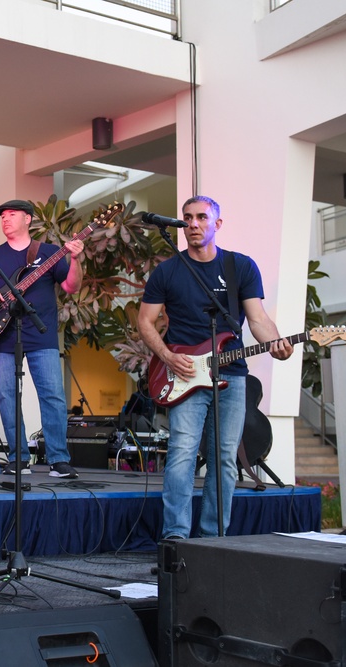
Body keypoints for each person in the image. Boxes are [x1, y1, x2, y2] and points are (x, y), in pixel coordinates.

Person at [137, 195, 293, 539]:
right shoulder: (168, 271)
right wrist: (166, 356)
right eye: (188, 218)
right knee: (182, 453)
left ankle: (213, 539)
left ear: (216, 224)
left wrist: (277, 343)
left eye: (202, 217)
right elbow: (146, 322)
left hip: (231, 373)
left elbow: (258, 319)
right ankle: (175, 537)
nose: (193, 224)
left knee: (224, 458)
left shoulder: (241, 267)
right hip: (185, 373)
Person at [0, 199, 83, 479]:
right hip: (3, 335)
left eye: (12, 215)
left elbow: (71, 287)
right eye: (3, 216)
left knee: (52, 396)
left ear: (28, 219)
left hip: (42, 336)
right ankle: (18, 458)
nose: (5, 219)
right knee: (7, 397)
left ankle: (58, 460)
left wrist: (76, 258)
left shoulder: (50, 253)